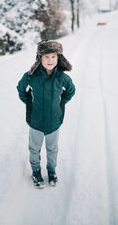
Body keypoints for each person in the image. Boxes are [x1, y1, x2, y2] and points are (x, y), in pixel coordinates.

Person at [17, 40, 75, 188]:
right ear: (40, 58)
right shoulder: (31, 76)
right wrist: (29, 103)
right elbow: (21, 89)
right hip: (36, 122)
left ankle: (51, 171)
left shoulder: (62, 77)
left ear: (58, 58)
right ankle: (36, 171)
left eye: (53, 57)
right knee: (34, 148)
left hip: (54, 122)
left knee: (52, 148)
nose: (50, 60)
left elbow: (70, 90)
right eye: (46, 57)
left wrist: (61, 103)